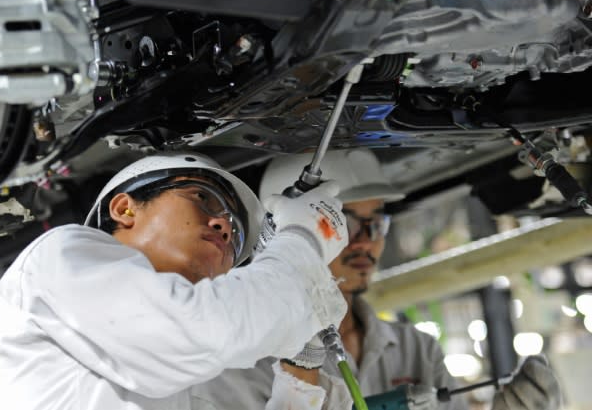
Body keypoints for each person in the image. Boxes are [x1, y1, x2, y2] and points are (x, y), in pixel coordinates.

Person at [0, 152, 355, 410]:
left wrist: (301, 362)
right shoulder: (62, 256)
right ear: (124, 208)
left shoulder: (179, 375)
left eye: (237, 236)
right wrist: (300, 242)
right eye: (202, 198)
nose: (223, 226)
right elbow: (210, 328)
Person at [194, 148, 562, 410]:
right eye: (345, 222)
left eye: (377, 222)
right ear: (278, 232)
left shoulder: (415, 350)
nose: (367, 239)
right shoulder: (235, 365)